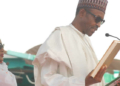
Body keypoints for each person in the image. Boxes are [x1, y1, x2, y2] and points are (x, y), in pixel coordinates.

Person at [33, 0, 108, 86]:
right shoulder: (60, 35)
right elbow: (47, 79)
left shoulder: (87, 41)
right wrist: (83, 82)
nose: (99, 25)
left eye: (101, 21)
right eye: (97, 19)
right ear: (82, 13)